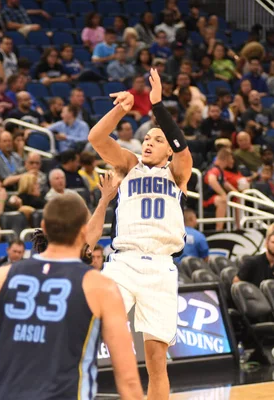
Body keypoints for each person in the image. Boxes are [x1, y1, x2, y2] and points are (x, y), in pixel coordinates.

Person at [0, 194, 143, 400]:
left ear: (43, 226)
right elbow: (129, 380)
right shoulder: (100, 286)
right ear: (83, 231)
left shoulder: (4, 276)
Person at [87, 69, 192, 399]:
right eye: (147, 138)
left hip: (161, 267)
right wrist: (122, 108)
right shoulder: (128, 165)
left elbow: (181, 144)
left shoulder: (177, 172)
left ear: (168, 151)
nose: (149, 142)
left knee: (157, 360)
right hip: (124, 263)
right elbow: (97, 138)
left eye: (157, 140)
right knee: (92, 327)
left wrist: (157, 105)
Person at [203, 148, 236, 231]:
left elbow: (225, 184)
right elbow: (211, 180)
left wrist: (238, 193)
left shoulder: (220, 171)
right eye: (232, 158)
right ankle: (219, 229)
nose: (233, 161)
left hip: (213, 198)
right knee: (222, 200)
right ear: (226, 158)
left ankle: (238, 226)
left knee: (237, 198)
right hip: (206, 200)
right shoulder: (214, 169)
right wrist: (223, 194)